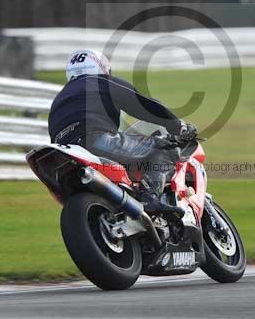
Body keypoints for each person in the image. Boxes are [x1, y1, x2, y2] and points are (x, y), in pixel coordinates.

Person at [48, 49, 197, 215]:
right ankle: (151, 197)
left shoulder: (59, 99)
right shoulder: (101, 82)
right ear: (100, 67)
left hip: (63, 154)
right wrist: (178, 125)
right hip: (95, 140)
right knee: (166, 148)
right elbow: (141, 104)